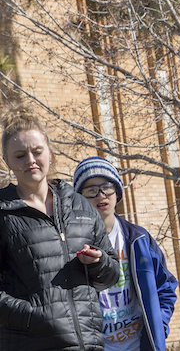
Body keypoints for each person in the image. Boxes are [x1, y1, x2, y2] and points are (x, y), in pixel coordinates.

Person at [0, 106, 120, 351]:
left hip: (89, 344)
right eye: (20, 155)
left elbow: (112, 274)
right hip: (32, 344)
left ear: (50, 153)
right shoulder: (4, 213)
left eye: (37, 151)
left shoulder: (79, 205)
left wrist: (97, 263)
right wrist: (36, 318)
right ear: (7, 161)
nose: (31, 160)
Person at [73, 157, 178, 351]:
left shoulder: (139, 240)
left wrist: (158, 327)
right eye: (91, 190)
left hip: (140, 345)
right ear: (79, 198)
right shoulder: (74, 246)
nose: (100, 195)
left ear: (117, 192)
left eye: (106, 187)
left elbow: (166, 287)